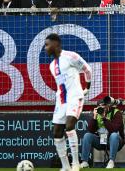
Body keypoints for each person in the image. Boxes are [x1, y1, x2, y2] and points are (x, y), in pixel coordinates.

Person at [45, 33, 93, 171]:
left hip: (75, 96)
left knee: (69, 125)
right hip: (61, 101)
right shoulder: (51, 65)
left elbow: (87, 69)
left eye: (47, 45)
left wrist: (87, 88)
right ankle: (65, 167)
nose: (45, 48)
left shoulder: (71, 56)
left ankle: (76, 164)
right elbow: (60, 84)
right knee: (56, 132)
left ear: (56, 44)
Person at [80, 96, 125, 169]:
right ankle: (85, 162)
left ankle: (111, 162)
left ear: (108, 106)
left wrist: (104, 118)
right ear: (97, 108)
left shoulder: (116, 113)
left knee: (114, 135)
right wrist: (94, 117)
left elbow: (114, 130)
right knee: (87, 136)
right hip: (102, 141)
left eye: (104, 106)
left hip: (116, 141)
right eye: (100, 107)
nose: (102, 109)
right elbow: (90, 130)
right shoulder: (96, 114)